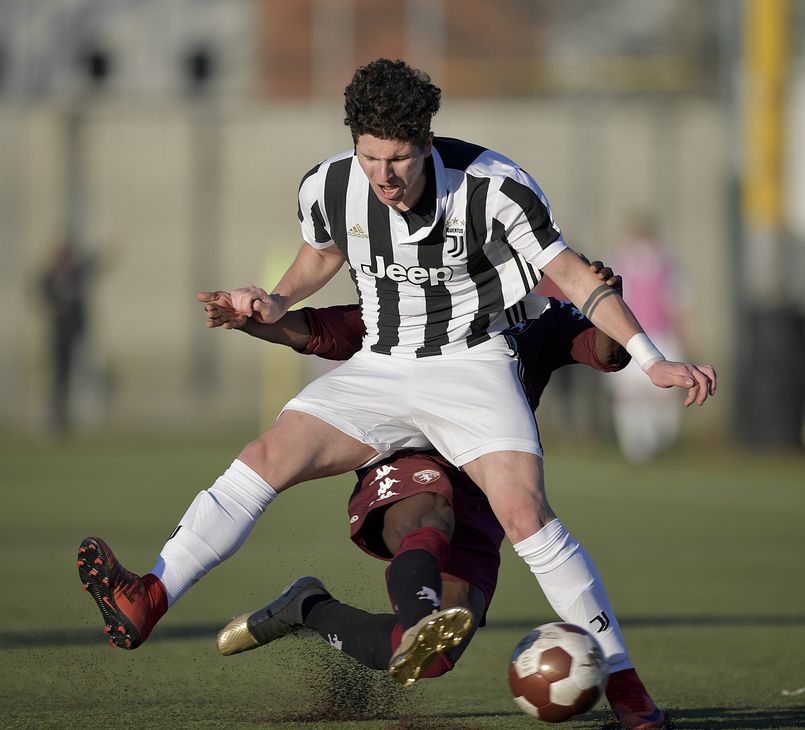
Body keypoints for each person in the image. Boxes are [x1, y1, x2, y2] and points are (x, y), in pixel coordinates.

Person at [76, 58, 714, 727]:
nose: (383, 176)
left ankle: (629, 696)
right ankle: (149, 593)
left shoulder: (494, 187)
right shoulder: (330, 185)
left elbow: (576, 279)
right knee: (266, 456)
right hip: (383, 366)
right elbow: (321, 254)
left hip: (471, 366)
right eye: (369, 157)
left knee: (526, 512)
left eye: (400, 159)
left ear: (428, 142)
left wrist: (652, 359)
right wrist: (272, 298)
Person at [200, 266, 676, 728]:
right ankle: (424, 620)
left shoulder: (540, 315)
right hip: (410, 457)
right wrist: (251, 322)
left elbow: (607, 353)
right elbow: (319, 329)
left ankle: (306, 608)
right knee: (431, 512)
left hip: (488, 485)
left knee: (435, 659)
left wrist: (606, 306)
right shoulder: (413, 298)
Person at [606, 213, 687, 462]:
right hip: (630, 334)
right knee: (631, 394)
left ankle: (652, 441)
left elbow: (678, 304)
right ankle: (637, 447)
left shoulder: (666, 264)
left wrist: (683, 337)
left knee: (661, 395)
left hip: (659, 335)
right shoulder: (617, 260)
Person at [40, 241, 97, 435]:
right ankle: (57, 418)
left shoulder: (76, 274)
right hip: (59, 334)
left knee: (80, 372)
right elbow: (45, 297)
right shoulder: (50, 277)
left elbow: (92, 265)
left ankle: (84, 414)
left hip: (78, 332)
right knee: (60, 376)